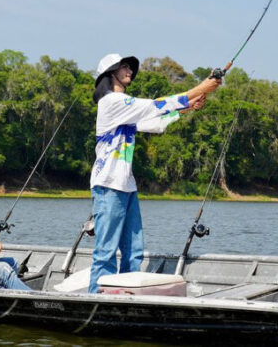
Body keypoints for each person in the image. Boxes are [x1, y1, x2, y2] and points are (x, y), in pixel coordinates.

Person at [88, 53, 222, 293]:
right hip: (108, 185)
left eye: (130, 67)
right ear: (111, 73)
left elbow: (154, 122)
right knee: (106, 251)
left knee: (134, 251)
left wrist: (186, 109)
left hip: (127, 186)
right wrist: (200, 88)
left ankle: (126, 295)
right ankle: (95, 297)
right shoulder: (111, 102)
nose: (130, 71)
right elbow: (154, 104)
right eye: (124, 67)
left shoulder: (124, 107)